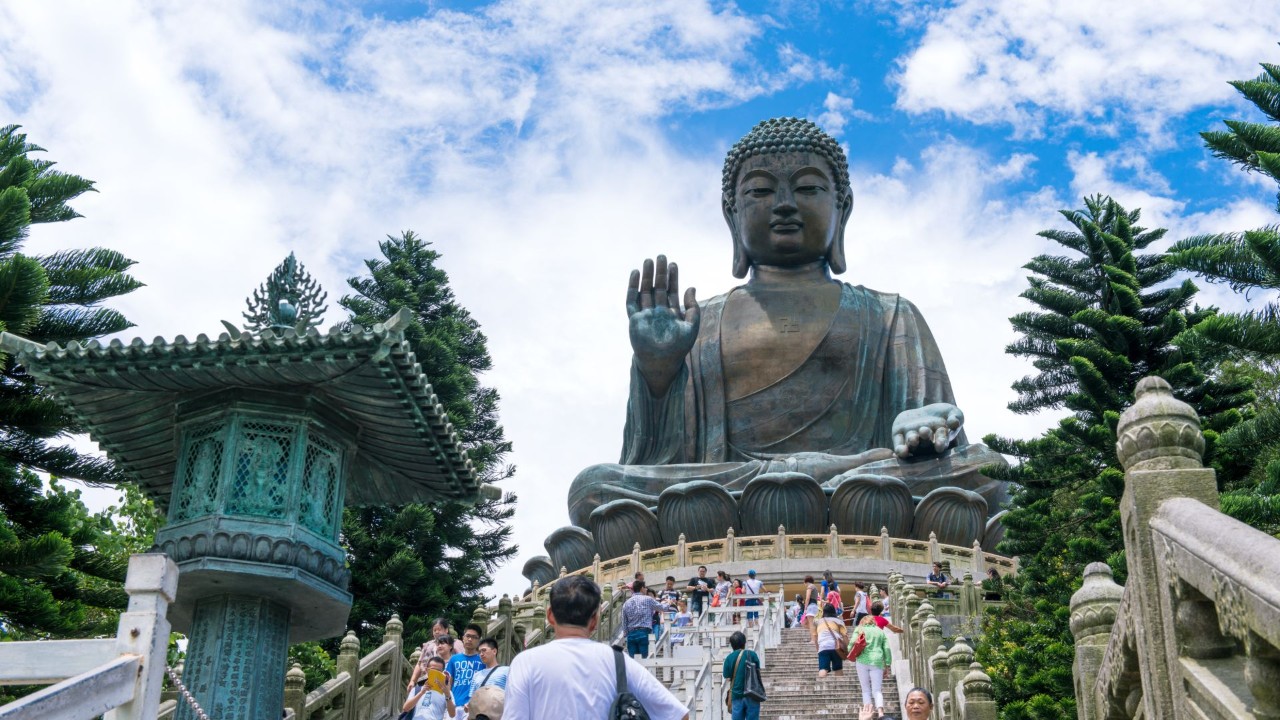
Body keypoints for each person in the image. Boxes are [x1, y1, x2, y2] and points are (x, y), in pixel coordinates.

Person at [565, 117, 1010, 534]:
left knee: (988, 470)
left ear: (842, 208)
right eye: (760, 191)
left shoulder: (890, 313)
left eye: (808, 188)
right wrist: (657, 372)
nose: (784, 205)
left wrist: (923, 426)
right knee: (594, 487)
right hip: (734, 486)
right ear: (731, 214)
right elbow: (658, 460)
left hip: (862, 478)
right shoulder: (701, 323)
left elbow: (938, 440)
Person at [504, 575, 689, 720]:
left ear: (550, 616)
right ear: (595, 619)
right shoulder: (618, 662)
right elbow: (679, 715)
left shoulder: (525, 662)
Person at [850, 615, 892, 715]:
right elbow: (886, 648)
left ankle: (868, 712)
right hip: (877, 661)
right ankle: (880, 712)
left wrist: (849, 651)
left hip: (861, 661)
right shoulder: (880, 631)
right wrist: (887, 664)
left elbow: (852, 642)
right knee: (877, 690)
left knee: (865, 690)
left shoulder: (859, 629)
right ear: (873, 622)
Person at [410, 618, 466, 691]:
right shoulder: (428, 645)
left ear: (446, 630)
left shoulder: (456, 643)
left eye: (439, 629)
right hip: (428, 681)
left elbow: (463, 661)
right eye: (434, 630)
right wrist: (412, 681)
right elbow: (419, 663)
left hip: (450, 682)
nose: (437, 632)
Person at [445, 624, 486, 717]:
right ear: (463, 638)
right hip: (454, 705)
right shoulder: (454, 659)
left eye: (474, 637)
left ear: (479, 640)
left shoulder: (483, 659)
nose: (470, 639)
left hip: (473, 707)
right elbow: (448, 683)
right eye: (468, 636)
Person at [722, 630, 762, 720]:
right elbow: (757, 670)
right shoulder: (752, 654)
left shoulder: (729, 658)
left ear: (732, 645)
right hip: (753, 694)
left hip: (737, 695)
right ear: (744, 643)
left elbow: (727, 676)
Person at [622, 579, 665, 658]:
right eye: (645, 588)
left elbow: (624, 621)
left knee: (633, 661)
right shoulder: (648, 599)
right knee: (645, 660)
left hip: (631, 634)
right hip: (644, 633)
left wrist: (626, 634)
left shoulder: (626, 603)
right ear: (642, 588)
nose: (646, 589)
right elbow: (662, 607)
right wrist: (669, 603)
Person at [467, 637, 510, 712]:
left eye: (484, 650)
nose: (481, 654)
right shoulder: (476, 675)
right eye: (479, 652)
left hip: (499, 713)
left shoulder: (506, 671)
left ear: (494, 651)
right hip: (480, 713)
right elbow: (472, 698)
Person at [811, 603, 846, 679]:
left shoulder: (818, 622)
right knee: (838, 668)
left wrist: (818, 648)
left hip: (823, 647)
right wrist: (847, 649)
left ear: (823, 612)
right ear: (834, 611)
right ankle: (840, 684)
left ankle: (821, 684)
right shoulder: (839, 621)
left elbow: (815, 637)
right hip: (836, 647)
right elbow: (845, 636)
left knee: (823, 669)